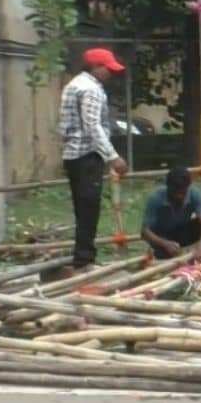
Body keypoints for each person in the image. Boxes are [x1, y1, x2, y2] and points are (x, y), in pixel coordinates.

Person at [57, 48, 128, 281]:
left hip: (73, 154)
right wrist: (112, 156)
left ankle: (83, 257)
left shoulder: (73, 85)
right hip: (87, 154)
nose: (110, 73)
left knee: (82, 208)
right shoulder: (91, 89)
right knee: (89, 209)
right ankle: (84, 261)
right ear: (96, 66)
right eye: (108, 68)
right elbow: (93, 126)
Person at [141, 166, 201, 261]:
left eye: (182, 192)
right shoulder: (156, 198)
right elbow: (145, 231)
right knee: (166, 257)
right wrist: (165, 243)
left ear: (188, 186)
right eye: (175, 192)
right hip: (163, 236)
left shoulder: (194, 194)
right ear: (168, 187)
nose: (179, 196)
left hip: (182, 231)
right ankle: (164, 254)